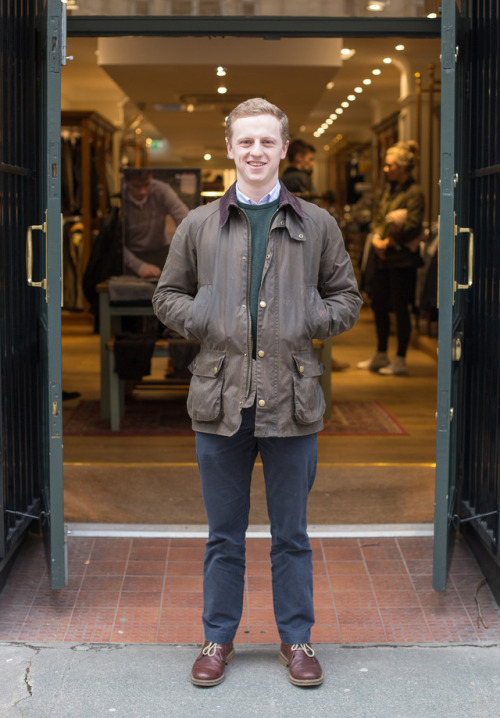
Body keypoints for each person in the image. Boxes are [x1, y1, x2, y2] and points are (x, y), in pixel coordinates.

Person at [152, 98, 362, 688]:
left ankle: (297, 640)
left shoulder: (317, 223)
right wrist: (209, 316)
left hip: (292, 400)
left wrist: (310, 316)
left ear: (284, 150)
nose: (256, 152)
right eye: (246, 141)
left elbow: (347, 297)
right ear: (229, 148)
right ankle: (217, 638)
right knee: (224, 534)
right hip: (220, 401)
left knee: (291, 534)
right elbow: (167, 295)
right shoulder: (198, 224)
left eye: (267, 142)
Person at [357, 140, 425, 376]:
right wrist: (376, 238)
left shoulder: (415, 192)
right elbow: (378, 216)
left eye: (390, 165)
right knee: (378, 304)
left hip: (402, 259)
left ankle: (400, 358)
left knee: (400, 307)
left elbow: (414, 225)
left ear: (403, 167)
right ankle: (381, 353)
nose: (386, 169)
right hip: (382, 257)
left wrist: (390, 242)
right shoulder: (388, 190)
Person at [122, 168, 189, 279]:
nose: (143, 191)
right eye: (137, 186)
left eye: (147, 185)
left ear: (151, 178)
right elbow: (117, 244)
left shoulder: (162, 190)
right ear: (127, 182)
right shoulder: (121, 198)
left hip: (161, 252)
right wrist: (138, 266)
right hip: (132, 257)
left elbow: (186, 221)